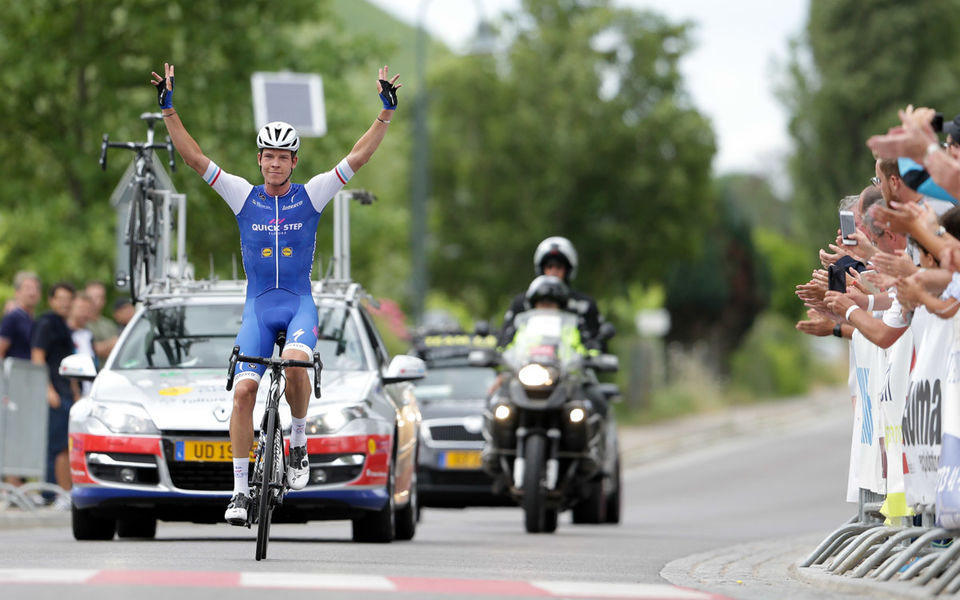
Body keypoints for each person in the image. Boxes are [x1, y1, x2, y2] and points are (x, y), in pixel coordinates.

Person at [151, 61, 401, 525]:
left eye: (282, 157)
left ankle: (300, 440)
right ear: (260, 159)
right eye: (267, 156)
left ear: (294, 163)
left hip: (299, 303)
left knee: (298, 363)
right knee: (244, 391)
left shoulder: (314, 194)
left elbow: (358, 156)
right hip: (259, 309)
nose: (273, 163)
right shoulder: (243, 195)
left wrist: (384, 113)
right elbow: (194, 158)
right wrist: (169, 110)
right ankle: (241, 492)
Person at [497, 236, 607, 349]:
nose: (554, 271)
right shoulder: (521, 302)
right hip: (526, 363)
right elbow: (505, 340)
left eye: (559, 267)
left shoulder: (584, 304)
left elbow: (596, 346)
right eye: (549, 266)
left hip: (568, 364)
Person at [30, 282, 76, 494]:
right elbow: (37, 356)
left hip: (66, 392)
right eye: (60, 299)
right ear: (51, 300)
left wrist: (75, 394)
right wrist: (48, 390)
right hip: (54, 393)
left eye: (68, 300)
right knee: (56, 446)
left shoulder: (65, 326)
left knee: (66, 446)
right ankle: (51, 494)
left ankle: (60, 492)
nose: (64, 303)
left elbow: (71, 363)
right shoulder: (46, 323)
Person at [0, 271, 41, 360]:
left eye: (36, 288)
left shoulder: (34, 320)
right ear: (17, 292)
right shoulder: (12, 318)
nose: (33, 293)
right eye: (28, 288)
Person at [83, 281, 119, 362]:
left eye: (101, 297)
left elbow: (118, 352)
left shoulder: (109, 324)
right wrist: (111, 344)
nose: (97, 301)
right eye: (93, 297)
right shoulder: (80, 324)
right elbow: (90, 350)